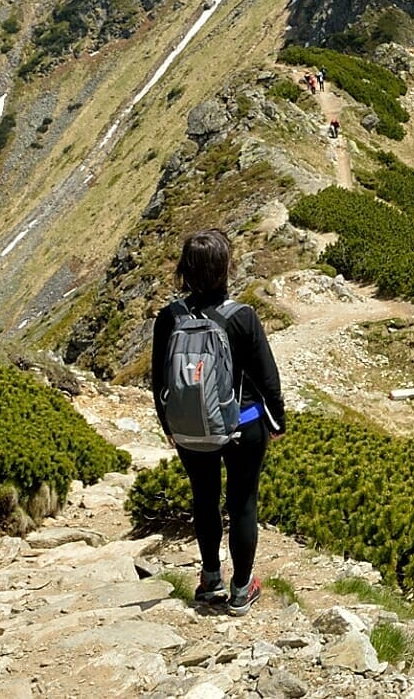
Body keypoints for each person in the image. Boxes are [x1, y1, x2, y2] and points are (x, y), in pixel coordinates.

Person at [151, 230, 285, 614]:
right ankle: (242, 589)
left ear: (184, 270)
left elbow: (159, 380)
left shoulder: (169, 318)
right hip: (242, 424)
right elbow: (267, 379)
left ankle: (211, 581)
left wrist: (170, 426)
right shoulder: (241, 316)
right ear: (226, 268)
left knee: (204, 500)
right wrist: (277, 422)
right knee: (243, 503)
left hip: (190, 428)